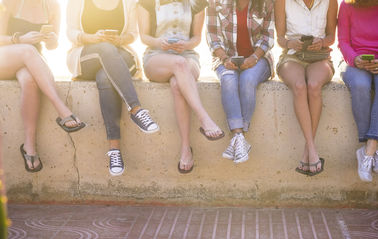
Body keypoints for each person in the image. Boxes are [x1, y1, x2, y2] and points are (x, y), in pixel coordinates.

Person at [67, 0, 160, 176]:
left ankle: (114, 150)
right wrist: (91, 38)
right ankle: (136, 109)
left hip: (119, 55)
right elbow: (70, 32)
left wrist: (119, 39)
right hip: (86, 55)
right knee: (105, 49)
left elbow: (132, 34)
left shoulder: (128, 3)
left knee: (105, 76)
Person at [138, 0, 225, 174]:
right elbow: (144, 37)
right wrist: (158, 42)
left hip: (187, 56)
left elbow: (196, 38)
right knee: (179, 64)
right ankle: (204, 119)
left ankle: (186, 149)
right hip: (157, 57)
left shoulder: (198, 3)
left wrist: (185, 45)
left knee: (178, 84)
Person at [0, 0, 86, 173]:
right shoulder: (9, 3)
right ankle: (61, 109)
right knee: (27, 50)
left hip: (30, 62)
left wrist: (52, 39)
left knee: (29, 81)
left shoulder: (52, 6)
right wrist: (20, 39)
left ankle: (29, 147)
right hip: (5, 57)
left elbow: (52, 47)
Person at [338, 0, 378, 182]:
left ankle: (369, 149)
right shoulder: (347, 5)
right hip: (355, 61)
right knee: (359, 85)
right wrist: (355, 59)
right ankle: (370, 152)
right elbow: (342, 41)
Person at [274, 0, 337, 175]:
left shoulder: (330, 1)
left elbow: (332, 37)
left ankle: (307, 151)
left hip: (320, 57)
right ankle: (311, 148)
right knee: (300, 86)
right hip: (292, 57)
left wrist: (322, 42)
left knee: (314, 85)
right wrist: (289, 43)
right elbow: (279, 38)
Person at [207, 0, 274, 163]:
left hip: (258, 59)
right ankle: (239, 136)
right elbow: (212, 37)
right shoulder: (215, 2)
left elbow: (268, 37)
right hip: (225, 58)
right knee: (228, 79)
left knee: (247, 79)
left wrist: (254, 57)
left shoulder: (266, 3)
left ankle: (237, 139)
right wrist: (224, 58)